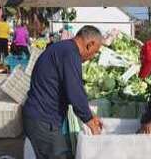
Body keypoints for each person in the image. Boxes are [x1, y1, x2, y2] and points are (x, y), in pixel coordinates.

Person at [23, 26, 104, 159]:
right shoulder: (70, 54)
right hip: (43, 120)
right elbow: (75, 92)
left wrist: (91, 114)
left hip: (42, 118)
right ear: (90, 45)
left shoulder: (64, 49)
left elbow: (71, 88)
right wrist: (89, 121)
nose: (92, 57)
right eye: (95, 52)